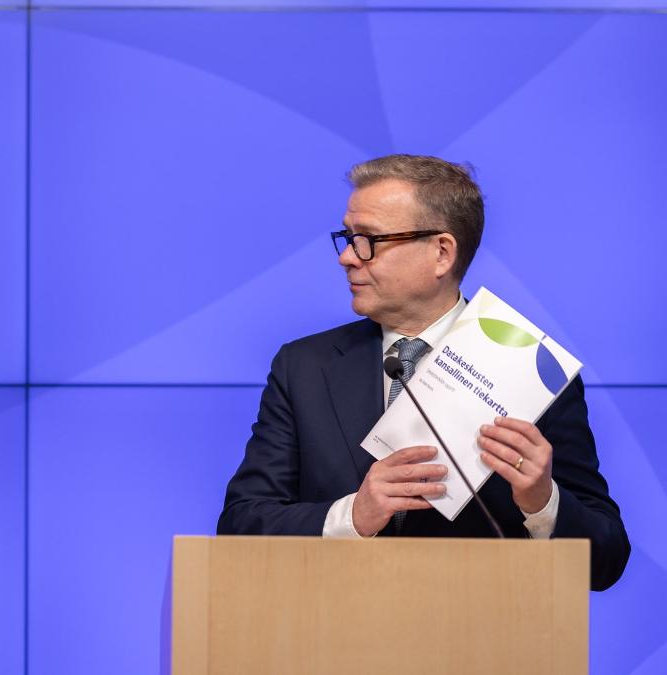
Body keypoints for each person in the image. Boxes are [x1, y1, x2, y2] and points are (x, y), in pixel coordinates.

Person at [216, 154, 628, 590]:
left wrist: (542, 502)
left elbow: (606, 562)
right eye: (348, 237)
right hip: (333, 621)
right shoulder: (304, 367)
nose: (348, 258)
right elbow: (241, 525)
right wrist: (353, 516)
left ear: (441, 253)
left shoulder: (534, 376)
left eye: (368, 239)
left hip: (484, 624)